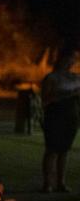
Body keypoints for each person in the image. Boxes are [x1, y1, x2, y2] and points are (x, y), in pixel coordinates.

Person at [40, 47, 80, 193]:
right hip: (55, 116)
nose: (72, 62)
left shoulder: (75, 78)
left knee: (64, 150)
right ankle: (47, 183)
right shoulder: (52, 78)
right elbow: (45, 99)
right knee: (52, 150)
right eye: (70, 58)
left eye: (74, 59)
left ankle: (61, 183)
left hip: (71, 117)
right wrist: (66, 94)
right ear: (62, 59)